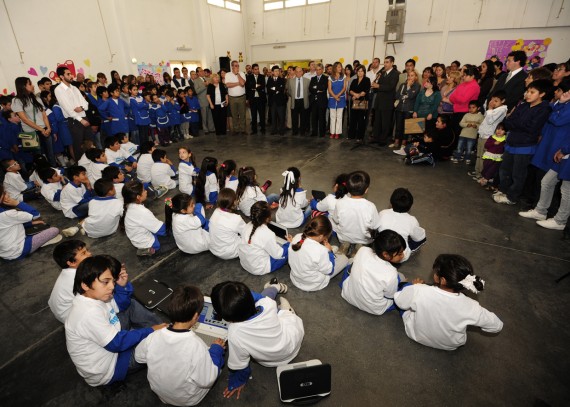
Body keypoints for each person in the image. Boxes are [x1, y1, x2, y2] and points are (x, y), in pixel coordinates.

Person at [65, 256, 167, 386]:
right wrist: (151, 331)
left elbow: (122, 305)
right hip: (112, 367)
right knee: (155, 343)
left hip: (110, 345)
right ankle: (164, 333)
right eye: (105, 282)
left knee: (131, 305)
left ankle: (162, 329)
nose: (112, 287)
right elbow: (117, 344)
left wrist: (122, 286)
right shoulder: (88, 313)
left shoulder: (92, 296)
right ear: (85, 284)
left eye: (113, 281)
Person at [210, 280, 303, 399]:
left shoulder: (234, 333)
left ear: (225, 316)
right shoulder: (267, 303)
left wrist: (237, 382)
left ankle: (286, 310)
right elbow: (261, 296)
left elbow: (239, 365)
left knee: (280, 313)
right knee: (282, 315)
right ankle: (281, 299)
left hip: (270, 361)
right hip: (292, 343)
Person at [134, 284, 225, 406]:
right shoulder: (197, 346)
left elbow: (138, 356)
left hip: (159, 393)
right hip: (187, 399)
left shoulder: (154, 336)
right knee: (217, 361)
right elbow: (207, 380)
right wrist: (216, 351)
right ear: (195, 317)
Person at [394, 254, 503, 351]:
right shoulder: (471, 306)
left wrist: (414, 286)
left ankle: (404, 285)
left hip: (415, 335)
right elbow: (497, 326)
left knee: (404, 291)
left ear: (443, 280)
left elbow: (399, 301)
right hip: (450, 345)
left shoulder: (420, 290)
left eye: (436, 272)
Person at [519, 90, 570, 230]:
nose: (567, 93)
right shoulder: (565, 104)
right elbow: (553, 110)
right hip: (564, 151)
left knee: (567, 190)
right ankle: (541, 211)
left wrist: (565, 149)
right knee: (547, 181)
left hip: (565, 151)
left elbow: (556, 118)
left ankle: (560, 221)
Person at [494, 80, 551, 205]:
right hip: (512, 142)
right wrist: (517, 124)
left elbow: (532, 127)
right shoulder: (523, 105)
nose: (528, 94)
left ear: (542, 94)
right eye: (527, 91)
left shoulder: (544, 109)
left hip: (525, 146)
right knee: (504, 169)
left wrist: (516, 124)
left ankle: (512, 197)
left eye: (532, 92)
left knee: (518, 173)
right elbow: (508, 121)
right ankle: (503, 190)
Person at [340, 230, 406, 315]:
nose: (403, 255)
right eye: (400, 254)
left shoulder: (363, 250)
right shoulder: (391, 273)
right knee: (402, 280)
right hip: (373, 308)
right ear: (386, 254)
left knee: (351, 265)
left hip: (348, 295)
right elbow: (390, 295)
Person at [0, 184, 61, 260]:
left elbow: (8, 224)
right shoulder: (7, 214)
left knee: (38, 225)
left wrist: (31, 223)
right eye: (4, 193)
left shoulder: (5, 214)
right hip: (18, 251)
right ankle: (39, 243)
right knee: (54, 230)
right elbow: (36, 214)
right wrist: (17, 203)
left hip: (4, 252)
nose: (7, 194)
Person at [289, 215, 349, 292]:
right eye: (326, 237)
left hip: (296, 278)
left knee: (334, 248)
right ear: (321, 236)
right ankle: (337, 254)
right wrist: (330, 252)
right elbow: (329, 270)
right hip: (312, 284)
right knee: (344, 259)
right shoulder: (321, 251)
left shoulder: (297, 237)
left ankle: (335, 252)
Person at [331, 171, 380, 255]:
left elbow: (336, 220)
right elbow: (375, 225)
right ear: (366, 190)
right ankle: (359, 248)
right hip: (364, 239)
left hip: (344, 237)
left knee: (331, 219)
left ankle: (345, 245)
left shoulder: (340, 203)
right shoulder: (371, 206)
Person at [122, 180, 176, 256]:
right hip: (150, 243)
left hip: (139, 239)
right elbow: (162, 230)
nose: (146, 191)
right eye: (144, 190)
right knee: (180, 238)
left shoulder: (130, 206)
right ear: (138, 197)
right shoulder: (141, 212)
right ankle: (150, 250)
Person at [239, 201, 291, 275]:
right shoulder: (267, 234)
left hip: (245, 263)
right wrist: (289, 243)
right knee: (289, 249)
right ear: (267, 218)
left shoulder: (247, 226)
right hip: (259, 268)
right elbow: (278, 254)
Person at [12, 77, 54, 165]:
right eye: (30, 84)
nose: (33, 85)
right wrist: (41, 130)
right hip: (32, 132)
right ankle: (43, 174)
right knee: (39, 157)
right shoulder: (16, 100)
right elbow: (25, 119)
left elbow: (44, 115)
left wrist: (48, 128)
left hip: (45, 129)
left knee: (51, 154)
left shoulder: (36, 98)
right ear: (23, 86)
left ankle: (54, 171)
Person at [378, 188, 426, 262]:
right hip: (399, 257)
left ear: (391, 202)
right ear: (410, 206)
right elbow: (419, 238)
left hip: (380, 251)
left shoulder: (382, 213)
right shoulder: (412, 220)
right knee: (421, 237)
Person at [54, 67, 92, 160]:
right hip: (75, 120)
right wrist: (80, 120)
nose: (71, 76)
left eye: (71, 74)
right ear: (62, 76)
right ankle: (81, 168)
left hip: (84, 117)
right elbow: (68, 109)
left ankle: (93, 164)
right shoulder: (59, 90)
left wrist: (82, 108)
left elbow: (85, 103)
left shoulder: (74, 88)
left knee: (90, 144)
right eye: (68, 74)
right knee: (78, 146)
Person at [49, 240, 92, 323]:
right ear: (71, 263)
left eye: (87, 250)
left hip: (62, 312)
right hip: (72, 318)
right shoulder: (79, 278)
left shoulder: (69, 272)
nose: (89, 254)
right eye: (83, 253)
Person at [469, 90, 508, 180]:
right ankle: (477, 171)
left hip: (488, 136)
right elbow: (487, 116)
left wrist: (490, 108)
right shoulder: (494, 109)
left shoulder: (502, 110)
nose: (493, 102)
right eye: (492, 100)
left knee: (484, 156)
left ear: (503, 101)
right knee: (479, 155)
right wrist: (489, 108)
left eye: (496, 101)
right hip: (483, 134)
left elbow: (490, 120)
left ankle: (482, 174)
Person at [209, 188, 246, 260]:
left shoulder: (216, 211)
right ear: (234, 202)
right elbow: (246, 232)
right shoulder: (236, 218)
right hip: (229, 252)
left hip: (214, 249)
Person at [371, 56, 400, 145]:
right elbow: (378, 87)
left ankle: (383, 140)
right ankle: (376, 137)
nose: (385, 64)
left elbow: (390, 87)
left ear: (392, 63)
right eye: (385, 62)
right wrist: (374, 86)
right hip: (379, 101)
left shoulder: (395, 74)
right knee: (377, 121)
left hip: (387, 102)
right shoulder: (382, 73)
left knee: (385, 122)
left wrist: (378, 86)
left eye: (387, 62)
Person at [448, 66, 480, 142]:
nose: (463, 76)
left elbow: (463, 99)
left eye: (466, 75)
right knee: (453, 132)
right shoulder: (462, 84)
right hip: (456, 110)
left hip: (465, 112)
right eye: (464, 75)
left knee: (459, 133)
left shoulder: (474, 86)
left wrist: (457, 97)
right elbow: (451, 97)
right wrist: (457, 97)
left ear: (472, 76)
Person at [391, 69, 421, 149]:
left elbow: (411, 96)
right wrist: (405, 94)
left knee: (407, 127)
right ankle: (396, 141)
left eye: (412, 75)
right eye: (409, 75)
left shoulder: (417, 86)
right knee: (398, 126)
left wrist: (408, 88)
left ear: (415, 77)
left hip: (409, 109)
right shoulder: (402, 85)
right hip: (400, 108)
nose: (410, 77)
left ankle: (404, 143)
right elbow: (397, 96)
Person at [478, 122, 507, 189]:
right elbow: (486, 145)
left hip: (498, 157)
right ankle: (484, 177)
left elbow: (504, 149)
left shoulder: (505, 139)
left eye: (502, 130)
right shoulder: (492, 137)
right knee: (486, 167)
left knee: (493, 169)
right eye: (498, 129)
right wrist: (494, 143)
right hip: (489, 155)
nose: (499, 131)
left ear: (505, 132)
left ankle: (486, 179)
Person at [348, 65, 371, 142]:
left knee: (361, 119)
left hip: (362, 101)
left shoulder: (367, 80)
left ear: (364, 72)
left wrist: (356, 95)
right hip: (354, 102)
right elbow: (350, 90)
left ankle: (360, 137)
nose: (360, 72)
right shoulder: (354, 80)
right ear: (356, 72)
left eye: (361, 71)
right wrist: (354, 94)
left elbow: (364, 91)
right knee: (353, 118)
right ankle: (351, 135)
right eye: (358, 71)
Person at [225, 61, 247, 135]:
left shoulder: (242, 73)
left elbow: (243, 83)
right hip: (232, 97)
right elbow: (228, 85)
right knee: (234, 114)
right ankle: (236, 129)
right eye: (235, 66)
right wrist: (238, 83)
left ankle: (243, 129)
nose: (237, 67)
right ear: (232, 66)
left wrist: (237, 74)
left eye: (238, 65)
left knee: (242, 114)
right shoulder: (228, 74)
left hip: (242, 97)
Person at [287, 66, 310, 136]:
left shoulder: (307, 81)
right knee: (294, 118)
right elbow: (289, 91)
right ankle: (295, 131)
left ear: (302, 72)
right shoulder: (290, 81)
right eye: (297, 71)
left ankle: (302, 131)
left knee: (303, 117)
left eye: (300, 71)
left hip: (303, 101)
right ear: (295, 72)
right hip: (295, 101)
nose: (298, 73)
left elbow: (309, 92)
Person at [327, 62, 348, 139]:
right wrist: (335, 97)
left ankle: (337, 133)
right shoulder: (330, 78)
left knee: (339, 116)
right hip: (332, 99)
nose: (340, 68)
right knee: (332, 116)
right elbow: (329, 89)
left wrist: (338, 95)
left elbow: (344, 88)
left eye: (341, 67)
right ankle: (332, 132)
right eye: (339, 67)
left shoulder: (344, 76)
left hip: (341, 98)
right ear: (335, 68)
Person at [245, 64, 267, 135]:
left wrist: (254, 87)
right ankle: (254, 130)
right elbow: (248, 87)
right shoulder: (249, 77)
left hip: (261, 99)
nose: (257, 70)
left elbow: (263, 86)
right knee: (253, 115)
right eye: (255, 69)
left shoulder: (262, 76)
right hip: (252, 99)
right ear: (252, 70)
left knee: (262, 114)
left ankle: (263, 129)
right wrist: (257, 86)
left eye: (258, 69)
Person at [309, 63, 328, 137]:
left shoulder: (326, 78)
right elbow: (310, 89)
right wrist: (318, 89)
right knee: (314, 118)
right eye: (316, 70)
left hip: (322, 101)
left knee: (322, 118)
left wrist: (316, 88)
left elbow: (324, 88)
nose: (318, 71)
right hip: (314, 101)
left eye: (319, 69)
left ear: (322, 70)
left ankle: (322, 133)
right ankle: (314, 132)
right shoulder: (313, 79)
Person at [267, 65, 287, 135]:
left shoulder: (282, 80)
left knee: (281, 117)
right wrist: (276, 89)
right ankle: (274, 130)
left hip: (280, 102)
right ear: (272, 72)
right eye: (275, 71)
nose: (277, 72)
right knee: (273, 117)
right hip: (272, 102)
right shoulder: (269, 80)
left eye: (278, 71)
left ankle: (281, 130)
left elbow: (281, 89)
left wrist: (274, 89)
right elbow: (269, 90)